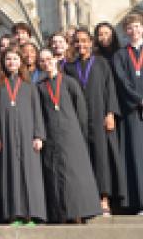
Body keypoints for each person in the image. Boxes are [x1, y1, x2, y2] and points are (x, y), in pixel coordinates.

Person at [65, 28, 126, 215]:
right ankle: (87, 200)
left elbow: (110, 89)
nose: (80, 45)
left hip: (99, 116)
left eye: (84, 41)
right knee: (83, 159)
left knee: (101, 158)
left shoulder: (101, 63)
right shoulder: (68, 67)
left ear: (91, 42)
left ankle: (104, 198)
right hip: (78, 119)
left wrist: (110, 113)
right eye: (77, 41)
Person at [37, 48, 101, 223]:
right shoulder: (40, 87)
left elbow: (80, 109)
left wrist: (80, 132)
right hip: (51, 135)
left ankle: (79, 212)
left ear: (56, 60)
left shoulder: (69, 82)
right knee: (56, 174)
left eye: (49, 59)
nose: (46, 63)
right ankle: (61, 213)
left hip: (72, 134)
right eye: (42, 61)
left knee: (75, 174)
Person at [0, 46, 46, 225]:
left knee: (30, 173)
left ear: (20, 62)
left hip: (27, 133)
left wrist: (38, 135)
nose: (11, 62)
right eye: (8, 59)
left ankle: (33, 214)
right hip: (6, 134)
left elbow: (37, 111)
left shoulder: (29, 85)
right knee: (11, 172)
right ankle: (14, 214)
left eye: (15, 59)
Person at [113, 13, 143, 214]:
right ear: (125, 31)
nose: (134, 30)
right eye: (130, 27)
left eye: (138, 26)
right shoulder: (121, 55)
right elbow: (122, 80)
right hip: (133, 110)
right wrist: (139, 100)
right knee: (136, 156)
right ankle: (140, 202)